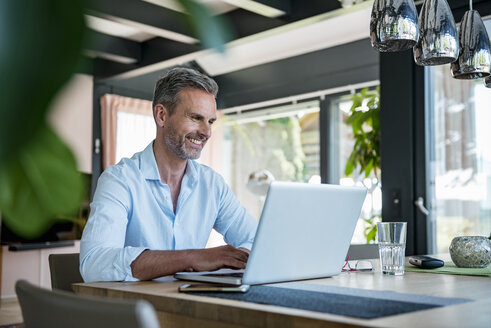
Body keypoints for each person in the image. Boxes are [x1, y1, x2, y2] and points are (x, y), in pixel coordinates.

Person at [80, 67, 258, 282]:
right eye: (195, 118)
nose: (206, 132)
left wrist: (227, 261)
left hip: (192, 305)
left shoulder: (212, 185)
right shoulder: (119, 180)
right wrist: (192, 257)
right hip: (133, 311)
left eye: (210, 121)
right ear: (161, 115)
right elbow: (94, 264)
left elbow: (257, 241)